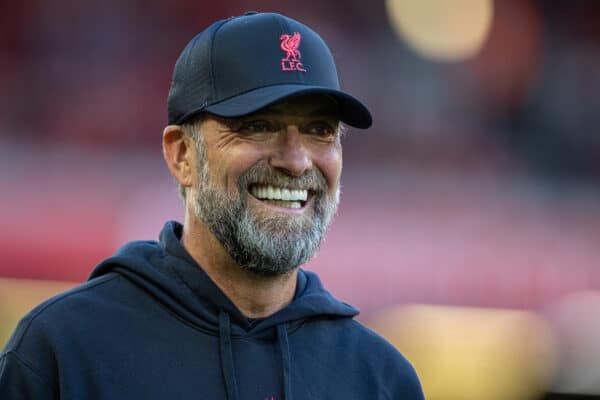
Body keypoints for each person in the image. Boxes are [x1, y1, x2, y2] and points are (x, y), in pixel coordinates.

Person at [0, 11, 424, 400]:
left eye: (319, 130)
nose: (295, 161)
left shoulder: (380, 378)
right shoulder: (64, 352)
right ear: (182, 155)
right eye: (258, 126)